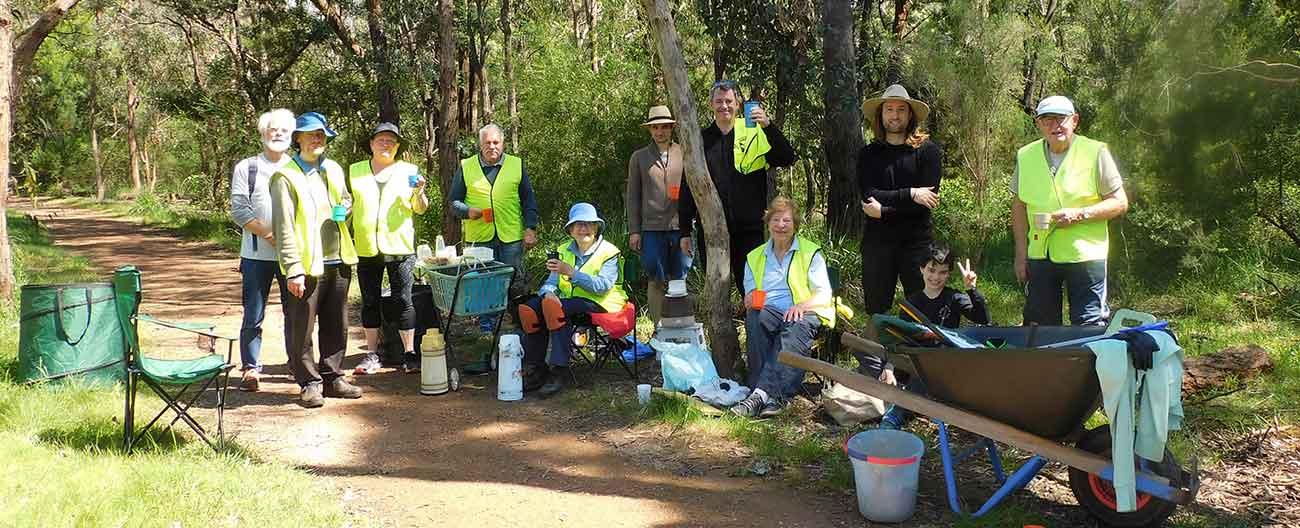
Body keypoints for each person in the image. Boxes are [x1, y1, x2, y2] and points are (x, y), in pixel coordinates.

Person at [270, 111, 363, 408]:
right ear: (298, 139)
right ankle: (309, 383)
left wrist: (346, 208)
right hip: (307, 265)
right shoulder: (285, 176)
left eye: (321, 134)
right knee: (303, 327)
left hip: (338, 259)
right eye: (311, 134)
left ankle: (333, 376)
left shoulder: (333, 168)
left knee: (338, 324)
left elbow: (346, 200)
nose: (317, 139)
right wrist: (293, 269)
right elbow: (283, 226)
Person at [1013, 96, 1128, 326]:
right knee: (1040, 326)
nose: (1055, 126)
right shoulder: (1026, 155)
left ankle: (1087, 363)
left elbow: (1120, 202)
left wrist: (1080, 214)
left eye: (1061, 119)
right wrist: (1020, 254)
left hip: (1085, 254)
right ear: (1038, 124)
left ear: (1074, 120)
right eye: (1047, 120)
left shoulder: (1095, 152)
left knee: (1089, 325)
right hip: (1040, 254)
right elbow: (1018, 206)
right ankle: (1049, 364)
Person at [678, 80, 797, 299]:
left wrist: (768, 127)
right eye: (719, 101)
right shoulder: (700, 139)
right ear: (711, 104)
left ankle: (756, 331)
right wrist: (685, 230)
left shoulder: (754, 132)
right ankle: (721, 333)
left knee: (752, 288)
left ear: (738, 104)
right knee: (715, 292)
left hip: (748, 228)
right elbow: (688, 185)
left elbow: (787, 157)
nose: (724, 106)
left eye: (729, 101)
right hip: (712, 229)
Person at [731, 197, 834, 419]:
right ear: (768, 224)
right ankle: (767, 395)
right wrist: (749, 300)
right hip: (769, 311)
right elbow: (750, 292)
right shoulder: (755, 256)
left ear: (795, 225)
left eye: (786, 220)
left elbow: (824, 294)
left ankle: (766, 395)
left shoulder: (810, 252)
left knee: (794, 322)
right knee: (755, 316)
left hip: (805, 311)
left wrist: (801, 305)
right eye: (776, 220)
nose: (781, 225)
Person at [516, 203, 627, 398]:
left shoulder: (609, 252)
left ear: (596, 227)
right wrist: (547, 292)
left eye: (588, 224)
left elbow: (602, 287)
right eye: (578, 225)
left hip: (602, 303)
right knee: (531, 308)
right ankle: (536, 368)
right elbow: (551, 282)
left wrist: (572, 273)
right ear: (570, 230)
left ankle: (559, 370)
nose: (583, 228)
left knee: (557, 308)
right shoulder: (563, 250)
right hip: (569, 303)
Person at [878, 242, 989, 429]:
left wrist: (971, 289)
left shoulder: (954, 298)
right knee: (880, 364)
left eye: (943, 272)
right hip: (915, 361)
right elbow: (899, 339)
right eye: (931, 270)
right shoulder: (911, 303)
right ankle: (906, 403)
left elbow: (983, 318)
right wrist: (889, 367)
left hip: (944, 362)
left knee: (922, 380)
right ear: (922, 269)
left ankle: (895, 415)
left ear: (948, 273)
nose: (936, 277)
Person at [349, 123, 430, 375]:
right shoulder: (355, 171)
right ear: (371, 144)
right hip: (366, 246)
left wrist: (420, 192)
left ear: (397, 147)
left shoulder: (409, 171)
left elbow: (420, 207)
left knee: (403, 300)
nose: (386, 144)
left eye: (391, 141)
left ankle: (409, 354)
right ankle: (372, 355)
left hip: (400, 245)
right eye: (381, 140)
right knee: (370, 301)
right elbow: (347, 204)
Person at [858, 84, 943, 317]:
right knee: (877, 312)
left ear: (910, 114)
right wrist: (911, 194)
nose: (895, 115)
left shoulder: (928, 152)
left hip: (916, 244)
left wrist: (884, 211)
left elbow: (925, 205)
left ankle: (923, 354)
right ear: (881, 114)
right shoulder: (868, 154)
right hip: (877, 244)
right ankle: (878, 355)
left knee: (923, 311)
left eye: (901, 109)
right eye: (889, 109)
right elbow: (868, 196)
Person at [449, 123, 540, 331]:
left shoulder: (516, 165)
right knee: (484, 284)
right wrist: (467, 211)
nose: (492, 146)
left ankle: (520, 327)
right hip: (480, 237)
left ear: (503, 143)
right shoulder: (466, 166)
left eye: (496, 142)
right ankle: (487, 331)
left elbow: (529, 201)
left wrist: (530, 228)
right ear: (480, 145)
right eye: (487, 142)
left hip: (511, 237)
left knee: (515, 282)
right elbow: (453, 202)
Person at [229, 108, 294, 392]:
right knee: (253, 313)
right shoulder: (248, 167)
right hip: (256, 256)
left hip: (291, 256)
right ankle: (250, 368)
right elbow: (239, 210)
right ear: (263, 133)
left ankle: (297, 363)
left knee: (296, 313)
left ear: (292, 136)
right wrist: (269, 235)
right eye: (273, 129)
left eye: (283, 130)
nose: (277, 134)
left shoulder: (297, 167)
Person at [626, 105, 691, 323]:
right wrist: (634, 230)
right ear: (650, 130)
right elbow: (633, 196)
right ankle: (659, 329)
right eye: (655, 127)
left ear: (671, 128)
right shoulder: (639, 157)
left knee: (679, 277)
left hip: (680, 227)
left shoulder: (685, 152)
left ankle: (681, 327)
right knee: (655, 278)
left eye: (664, 127)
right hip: (651, 229)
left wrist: (689, 227)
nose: (660, 131)